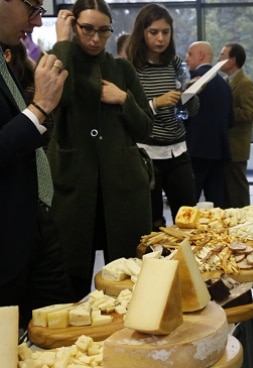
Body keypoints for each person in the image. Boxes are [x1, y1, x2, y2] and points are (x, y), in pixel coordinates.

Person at [48, 0, 154, 299]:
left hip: (122, 188)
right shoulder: (59, 61)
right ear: (73, 26)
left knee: (129, 279)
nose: (95, 38)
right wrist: (62, 42)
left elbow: (146, 127)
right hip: (74, 188)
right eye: (87, 29)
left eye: (103, 31)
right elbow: (58, 98)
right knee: (69, 279)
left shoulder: (121, 69)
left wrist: (124, 99)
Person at [0, 0, 76, 328]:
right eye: (32, 8)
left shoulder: (8, 57)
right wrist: (40, 106)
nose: (35, 22)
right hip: (7, 240)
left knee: (61, 334)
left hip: (36, 222)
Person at [127, 4, 200, 230]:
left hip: (178, 150)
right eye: (153, 32)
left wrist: (191, 94)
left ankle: (188, 264)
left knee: (188, 218)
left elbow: (191, 112)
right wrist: (156, 103)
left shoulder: (175, 63)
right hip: (146, 155)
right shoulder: (130, 67)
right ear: (142, 32)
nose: (160, 38)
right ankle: (159, 265)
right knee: (152, 223)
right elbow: (128, 114)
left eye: (165, 32)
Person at [185, 41, 233, 208]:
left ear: (200, 55)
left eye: (189, 54)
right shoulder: (225, 85)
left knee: (189, 203)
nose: (186, 59)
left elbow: (181, 115)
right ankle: (218, 234)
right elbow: (230, 120)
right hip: (218, 151)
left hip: (195, 150)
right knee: (217, 204)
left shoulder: (191, 81)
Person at [217, 42, 253, 208]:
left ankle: (244, 225)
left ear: (232, 60)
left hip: (236, 148)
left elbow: (250, 113)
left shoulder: (245, 83)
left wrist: (224, 113)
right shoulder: (226, 81)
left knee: (237, 191)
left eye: (222, 55)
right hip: (225, 147)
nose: (218, 59)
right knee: (227, 192)